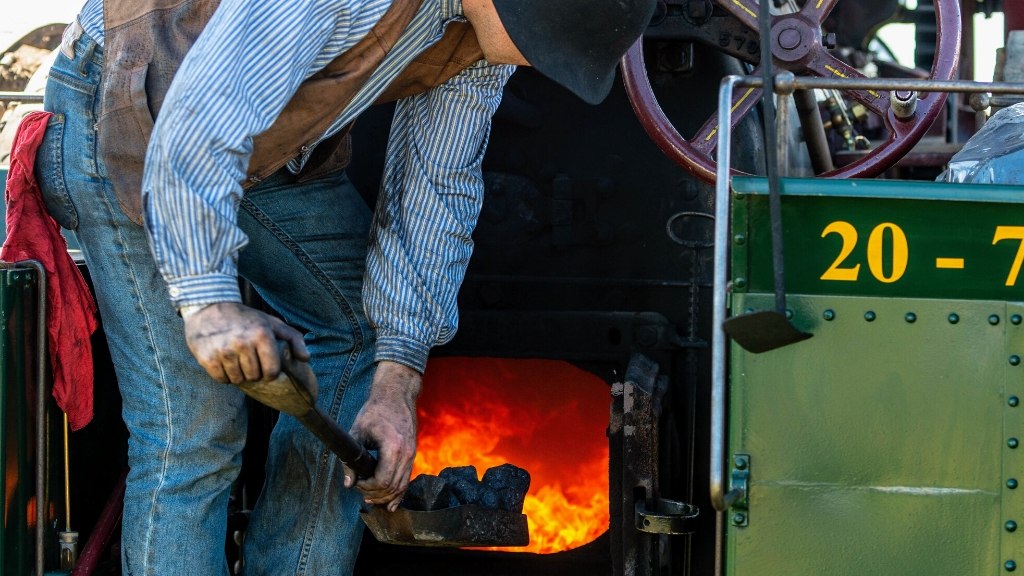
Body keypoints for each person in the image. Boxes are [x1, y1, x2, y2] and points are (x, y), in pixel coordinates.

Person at [37, 0, 655, 574]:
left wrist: (396, 382)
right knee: (193, 433)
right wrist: (207, 302)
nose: (535, 61)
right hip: (128, 115)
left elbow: (432, 187)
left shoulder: (481, 39)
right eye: (541, 42)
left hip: (272, 143)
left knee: (364, 332)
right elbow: (201, 115)